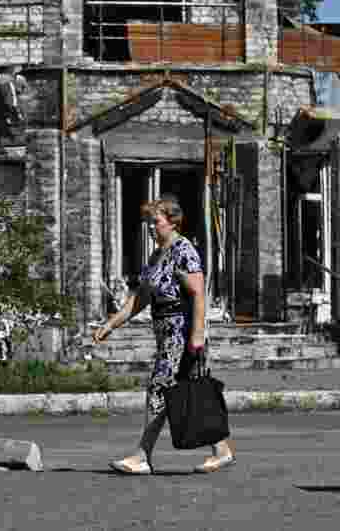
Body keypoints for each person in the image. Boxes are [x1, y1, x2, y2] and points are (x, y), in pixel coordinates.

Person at [93, 195, 236, 474]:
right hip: (165, 333)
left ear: (172, 222)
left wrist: (196, 335)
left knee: (160, 389)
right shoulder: (156, 256)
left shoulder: (184, 250)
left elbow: (198, 294)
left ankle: (142, 455)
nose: (149, 227)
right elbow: (140, 298)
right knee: (188, 390)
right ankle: (221, 450)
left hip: (181, 333)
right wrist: (111, 324)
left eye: (155, 221)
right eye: (148, 222)